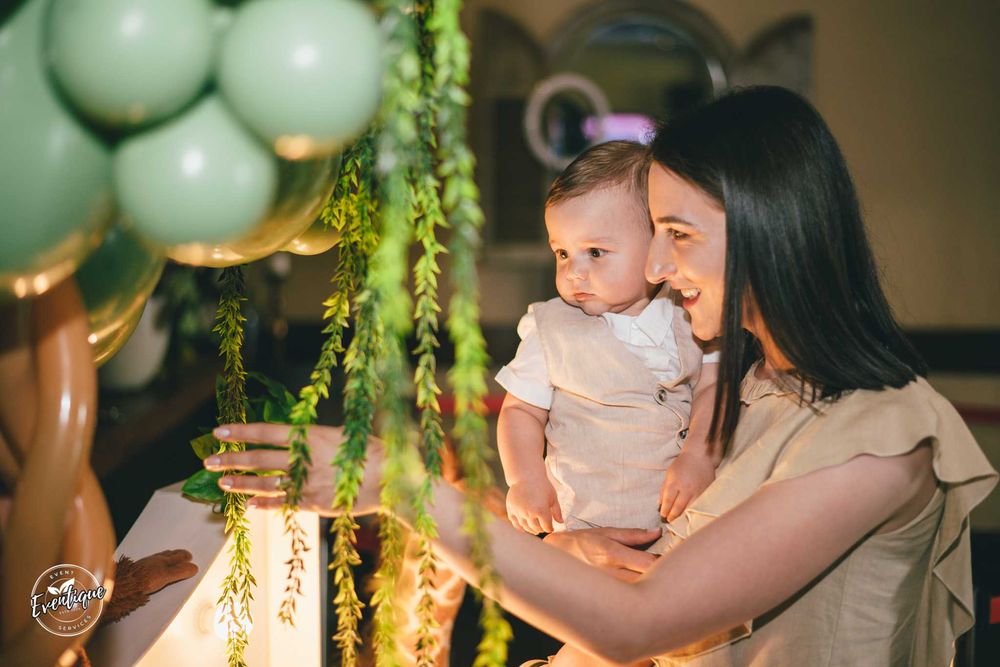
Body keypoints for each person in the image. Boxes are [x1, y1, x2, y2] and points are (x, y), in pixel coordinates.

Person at [204, 87, 998, 666]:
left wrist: (405, 488)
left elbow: (639, 623)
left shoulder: (885, 436)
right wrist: (572, 540)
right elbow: (647, 560)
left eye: (678, 234)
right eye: (652, 233)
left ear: (772, 230)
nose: (654, 267)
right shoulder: (755, 389)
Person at [496, 140, 720, 545]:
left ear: (656, 243)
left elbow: (712, 389)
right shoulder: (550, 329)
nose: (574, 272)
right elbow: (520, 412)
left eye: (595, 252)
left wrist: (698, 455)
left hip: (680, 530)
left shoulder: (690, 314)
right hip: (584, 525)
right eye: (562, 253)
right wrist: (525, 479)